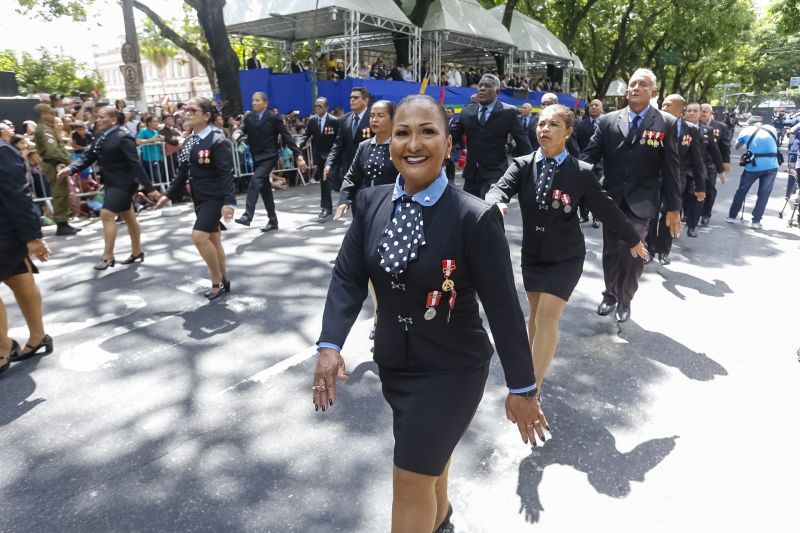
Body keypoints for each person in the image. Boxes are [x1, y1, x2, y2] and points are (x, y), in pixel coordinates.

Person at [313, 94, 547, 533]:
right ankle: (441, 523)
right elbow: (347, 276)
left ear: (446, 141)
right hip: (395, 365)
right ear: (389, 140)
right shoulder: (370, 203)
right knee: (428, 466)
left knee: (408, 479)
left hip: (452, 370)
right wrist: (330, 345)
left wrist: (523, 387)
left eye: (427, 131)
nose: (413, 143)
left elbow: (504, 311)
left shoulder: (474, 218)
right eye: (402, 132)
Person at [486, 104, 646, 394]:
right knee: (535, 313)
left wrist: (632, 239)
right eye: (541, 124)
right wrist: (495, 201)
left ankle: (530, 389)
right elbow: (499, 188)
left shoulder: (580, 172)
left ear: (568, 132)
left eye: (553, 125)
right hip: (533, 255)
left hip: (566, 256)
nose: (544, 129)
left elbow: (606, 209)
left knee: (547, 315)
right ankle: (534, 372)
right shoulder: (522, 165)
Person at [580, 68, 681, 323]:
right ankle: (610, 295)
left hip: (644, 201)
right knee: (611, 251)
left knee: (634, 251)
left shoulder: (666, 123)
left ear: (654, 92)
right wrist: (572, 173)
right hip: (611, 199)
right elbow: (590, 155)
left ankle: (626, 298)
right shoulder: (607, 121)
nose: (636, 88)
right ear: (627, 92)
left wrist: (673, 207)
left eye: (643, 85)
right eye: (633, 84)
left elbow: (671, 168)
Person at [58, 107, 161, 270]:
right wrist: (71, 168)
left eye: (101, 117)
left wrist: (149, 188)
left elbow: (135, 163)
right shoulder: (101, 136)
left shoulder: (124, 136)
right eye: (97, 117)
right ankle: (137, 252)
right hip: (111, 182)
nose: (97, 120)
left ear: (113, 119)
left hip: (125, 183)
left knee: (106, 214)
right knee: (128, 216)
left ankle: (108, 256)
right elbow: (89, 156)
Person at [155, 98, 236, 300]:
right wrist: (168, 195)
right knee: (214, 239)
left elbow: (226, 172)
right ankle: (224, 277)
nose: (187, 113)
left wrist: (229, 202)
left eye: (193, 110)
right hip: (198, 197)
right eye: (186, 110)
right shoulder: (190, 140)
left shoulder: (218, 139)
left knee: (199, 237)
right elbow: (182, 172)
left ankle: (215, 280)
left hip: (215, 197)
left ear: (207, 116)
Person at [0, 136, 53, 374]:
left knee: (21, 279)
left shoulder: (2, 151)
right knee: (20, 278)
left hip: (6, 233)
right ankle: (37, 336)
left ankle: (3, 349)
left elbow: (19, 195)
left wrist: (33, 237)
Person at [232, 92, 308, 232]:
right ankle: (273, 221)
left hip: (269, 156)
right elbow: (242, 128)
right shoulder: (248, 117)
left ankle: (247, 216)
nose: (253, 103)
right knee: (265, 189)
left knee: (255, 180)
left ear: (265, 103)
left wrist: (299, 156)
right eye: (252, 100)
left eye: (257, 100)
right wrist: (237, 133)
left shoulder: (274, 118)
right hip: (257, 157)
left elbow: (287, 137)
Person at [645, 97, 707, 266]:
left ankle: (664, 250)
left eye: (668, 105)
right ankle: (649, 249)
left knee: (670, 215)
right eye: (663, 104)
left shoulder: (691, 131)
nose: (664, 107)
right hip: (653, 178)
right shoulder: (652, 125)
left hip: (676, 180)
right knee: (650, 214)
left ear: (680, 109)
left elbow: (697, 161)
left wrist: (700, 186)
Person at [449, 74, 532, 198]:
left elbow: (524, 144)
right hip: (471, 175)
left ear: (497, 91)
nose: (482, 88)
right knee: (469, 214)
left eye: (487, 86)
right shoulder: (466, 112)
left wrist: (527, 172)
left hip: (496, 174)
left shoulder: (508, 112)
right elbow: (451, 139)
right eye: (480, 85)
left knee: (489, 211)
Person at [336, 100, 398, 216]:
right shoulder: (364, 146)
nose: (374, 120)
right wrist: (344, 200)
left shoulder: (400, 147)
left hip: (391, 208)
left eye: (380, 116)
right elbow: (352, 177)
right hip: (364, 206)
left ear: (393, 119)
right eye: (372, 116)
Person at [33, 103, 81, 236]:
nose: (53, 116)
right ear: (43, 114)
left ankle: (64, 222)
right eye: (50, 113)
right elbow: (53, 151)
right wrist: (69, 161)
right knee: (59, 194)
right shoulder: (45, 130)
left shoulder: (47, 128)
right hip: (54, 164)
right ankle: (61, 224)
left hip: (56, 164)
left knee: (63, 193)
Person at [725, 117, 780, 229]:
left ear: (749, 124)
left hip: (753, 166)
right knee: (764, 194)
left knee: (742, 191)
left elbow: (737, 146)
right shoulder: (771, 128)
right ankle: (756, 221)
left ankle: (732, 216)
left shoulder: (746, 131)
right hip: (772, 165)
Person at [324, 87, 374, 193]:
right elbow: (338, 144)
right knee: (352, 205)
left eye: (356, 97)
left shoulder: (373, 118)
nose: (352, 100)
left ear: (365, 101)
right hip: (349, 170)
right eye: (350, 97)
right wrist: (329, 163)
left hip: (368, 170)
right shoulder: (345, 119)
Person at [304, 97, 340, 220]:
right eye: (316, 106)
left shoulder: (333, 121)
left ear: (326, 107)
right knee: (324, 181)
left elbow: (338, 139)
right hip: (319, 155)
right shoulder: (312, 121)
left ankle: (328, 207)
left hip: (331, 155)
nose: (317, 108)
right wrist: (298, 149)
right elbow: (306, 136)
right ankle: (326, 208)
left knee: (327, 179)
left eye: (320, 106)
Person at [699, 103, 731, 225]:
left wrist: (725, 162)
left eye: (704, 111)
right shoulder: (693, 125)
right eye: (700, 111)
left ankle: (706, 213)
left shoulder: (720, 127)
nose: (701, 113)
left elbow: (725, 146)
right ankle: (691, 213)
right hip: (695, 162)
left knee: (709, 189)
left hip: (711, 163)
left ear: (711, 113)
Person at [574, 99, 605, 226]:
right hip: (583, 161)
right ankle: (584, 215)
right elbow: (575, 143)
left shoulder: (606, 123)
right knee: (582, 190)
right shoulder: (581, 125)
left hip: (601, 164)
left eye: (596, 105)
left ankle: (597, 217)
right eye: (591, 105)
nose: (593, 107)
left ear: (602, 108)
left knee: (597, 192)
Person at [136, 115, 167, 186]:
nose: (157, 123)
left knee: (159, 179)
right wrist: (152, 140)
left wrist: (161, 140)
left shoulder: (156, 132)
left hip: (159, 158)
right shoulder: (143, 131)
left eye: (157, 121)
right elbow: (138, 141)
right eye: (155, 121)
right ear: (149, 123)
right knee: (155, 179)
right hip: (148, 159)